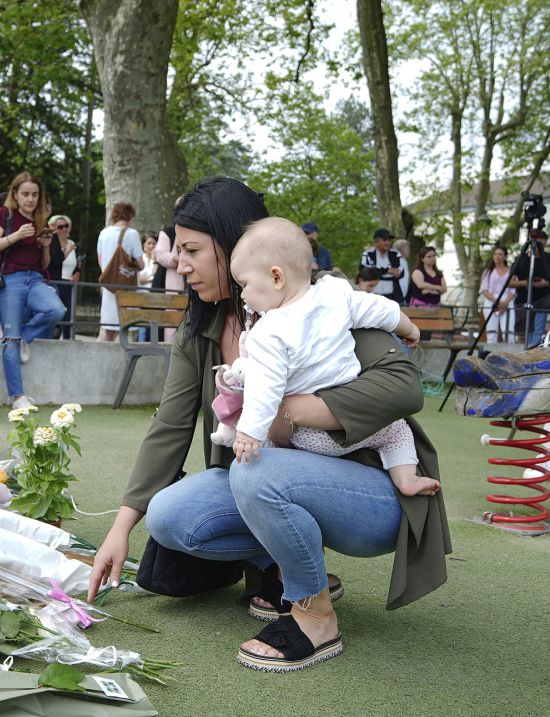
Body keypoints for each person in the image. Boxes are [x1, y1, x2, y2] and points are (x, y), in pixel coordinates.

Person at [87, 177, 449, 673]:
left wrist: (288, 411)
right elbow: (169, 427)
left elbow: (404, 389)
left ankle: (315, 617)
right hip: (273, 478)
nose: (177, 262)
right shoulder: (201, 330)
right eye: (179, 249)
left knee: (255, 471)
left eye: (192, 249)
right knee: (171, 516)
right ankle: (292, 565)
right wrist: (121, 527)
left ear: (235, 245)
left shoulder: (318, 304)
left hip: (376, 486)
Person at [226, 217, 439, 498]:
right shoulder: (334, 294)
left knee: (260, 449)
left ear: (276, 277)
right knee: (397, 431)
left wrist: (249, 433)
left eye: (244, 284)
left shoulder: (269, 331)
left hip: (305, 434)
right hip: (349, 423)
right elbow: (379, 308)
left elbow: (264, 388)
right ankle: (406, 479)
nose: (243, 295)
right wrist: (408, 327)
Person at [0, 171, 65, 409]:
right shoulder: (5, 214)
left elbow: (44, 263)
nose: (30, 199)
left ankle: (25, 338)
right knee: (10, 337)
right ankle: (17, 397)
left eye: (34, 194)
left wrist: (45, 246)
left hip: (36, 279)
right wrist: (16, 236)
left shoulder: (42, 220)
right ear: (16, 194)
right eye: (25, 194)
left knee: (56, 310)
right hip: (10, 280)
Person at [96, 202, 145, 342]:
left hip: (109, 286)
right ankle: (120, 364)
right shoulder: (132, 234)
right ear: (130, 215)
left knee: (106, 330)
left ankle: (98, 361)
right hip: (126, 286)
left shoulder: (104, 233)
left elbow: (101, 260)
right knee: (124, 329)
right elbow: (140, 264)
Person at [510, 229, 550, 347]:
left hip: (542, 299)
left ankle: (533, 352)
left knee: (538, 329)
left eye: (541, 244)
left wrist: (545, 283)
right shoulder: (521, 259)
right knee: (523, 331)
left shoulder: (548, 259)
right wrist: (526, 282)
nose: (538, 247)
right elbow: (509, 282)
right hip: (524, 298)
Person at [48, 214, 80, 339]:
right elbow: (56, 261)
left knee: (69, 315)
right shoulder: (51, 243)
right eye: (60, 226)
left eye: (66, 226)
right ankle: (52, 338)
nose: (64, 229)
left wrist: (77, 272)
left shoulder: (71, 243)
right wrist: (67, 250)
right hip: (55, 281)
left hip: (69, 282)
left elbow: (76, 264)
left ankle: (68, 339)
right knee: (57, 313)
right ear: (54, 228)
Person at [480, 246, 515, 343]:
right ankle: (491, 355)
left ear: (505, 257)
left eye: (500, 254)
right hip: (492, 300)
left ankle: (510, 355)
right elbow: (484, 290)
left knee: (509, 332)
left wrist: (505, 302)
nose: (497, 256)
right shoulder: (488, 271)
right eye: (495, 254)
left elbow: (513, 290)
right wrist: (497, 302)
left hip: (507, 301)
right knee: (491, 332)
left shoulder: (511, 271)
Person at [361, 228, 404, 304]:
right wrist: (388, 270)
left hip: (392, 296)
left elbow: (400, 272)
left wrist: (378, 271)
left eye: (389, 240)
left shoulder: (395, 254)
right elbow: (366, 272)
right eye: (384, 240)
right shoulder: (368, 254)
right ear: (376, 242)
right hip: (373, 295)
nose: (387, 242)